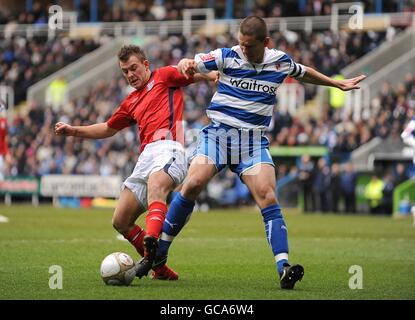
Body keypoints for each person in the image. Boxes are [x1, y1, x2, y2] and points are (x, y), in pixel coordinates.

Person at [137, 16, 366, 289]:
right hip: (219, 136)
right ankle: (160, 251)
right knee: (194, 182)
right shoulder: (227, 56)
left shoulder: (279, 61)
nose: (243, 50)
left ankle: (284, 267)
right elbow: (194, 63)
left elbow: (304, 72)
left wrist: (336, 83)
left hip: (252, 143)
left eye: (249, 46)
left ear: (265, 42)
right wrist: (187, 63)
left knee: (268, 196)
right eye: (241, 44)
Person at [55, 45, 217, 280]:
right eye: (125, 71)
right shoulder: (130, 101)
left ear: (145, 65)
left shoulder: (163, 76)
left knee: (156, 186)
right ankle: (159, 268)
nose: (130, 75)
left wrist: (212, 75)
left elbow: (192, 73)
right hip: (145, 158)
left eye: (133, 68)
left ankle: (152, 243)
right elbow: (107, 128)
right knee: (120, 220)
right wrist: (73, 130)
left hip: (170, 148)